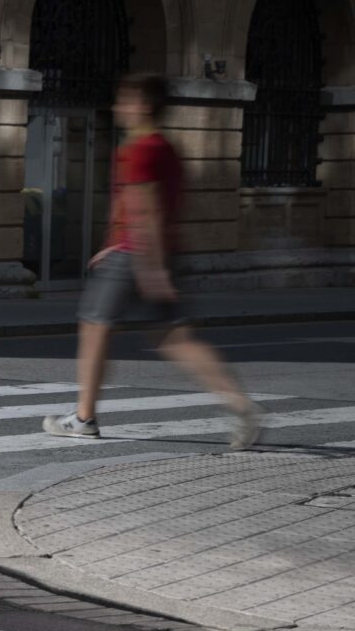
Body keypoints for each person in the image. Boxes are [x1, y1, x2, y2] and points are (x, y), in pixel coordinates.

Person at [44, 75, 261, 449]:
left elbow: (146, 211)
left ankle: (83, 417)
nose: (117, 108)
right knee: (174, 338)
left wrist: (147, 265)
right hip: (153, 252)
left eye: (124, 100)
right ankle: (240, 405)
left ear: (143, 105)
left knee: (94, 327)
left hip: (135, 254)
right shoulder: (168, 149)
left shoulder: (138, 149)